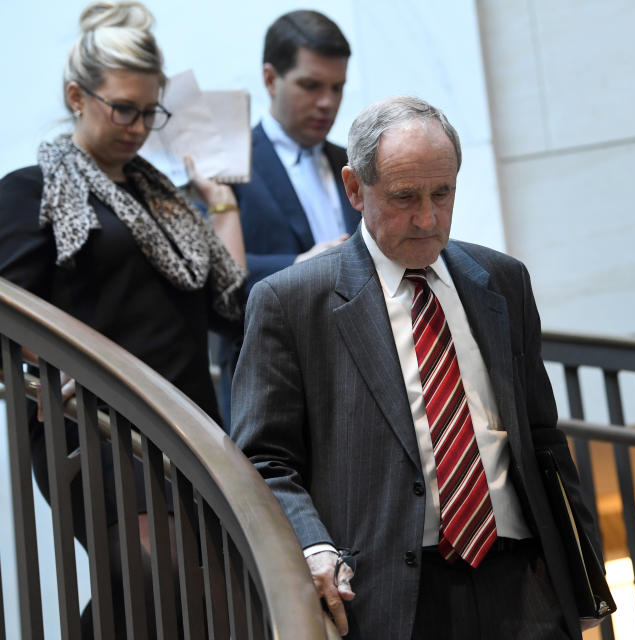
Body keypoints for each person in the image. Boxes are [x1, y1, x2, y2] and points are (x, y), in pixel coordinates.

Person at [232, 96, 599, 639]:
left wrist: (581, 571)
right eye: (404, 197)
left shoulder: (502, 280)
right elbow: (264, 458)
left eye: (442, 193)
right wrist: (312, 546)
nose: (428, 218)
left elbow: (543, 436)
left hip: (522, 582)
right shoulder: (292, 301)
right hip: (387, 595)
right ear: (354, 189)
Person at [0, 2, 245, 636]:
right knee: (160, 579)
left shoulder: (166, 199)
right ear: (76, 96)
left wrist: (217, 196)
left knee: (191, 602)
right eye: (124, 108)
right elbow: (10, 320)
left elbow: (230, 298)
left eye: (150, 111)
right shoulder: (33, 191)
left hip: (188, 421)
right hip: (95, 427)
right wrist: (45, 379)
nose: (139, 127)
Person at [217, 10, 360, 423]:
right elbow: (212, 272)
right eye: (311, 85)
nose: (327, 102)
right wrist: (298, 267)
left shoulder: (354, 163)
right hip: (268, 382)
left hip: (358, 378)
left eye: (337, 88)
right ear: (269, 78)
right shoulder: (227, 165)